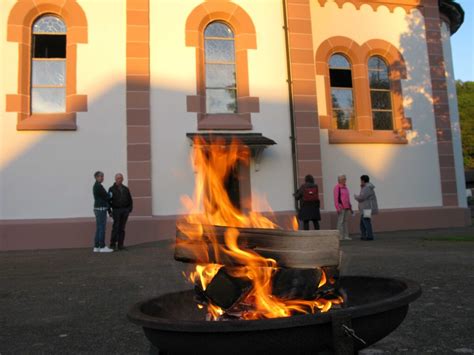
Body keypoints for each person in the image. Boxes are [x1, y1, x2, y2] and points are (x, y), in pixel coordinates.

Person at [108, 173, 133, 250]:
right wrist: (109, 211)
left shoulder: (126, 189)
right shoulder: (111, 189)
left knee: (122, 228)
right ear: (115, 179)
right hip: (116, 210)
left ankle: (120, 245)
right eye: (118, 178)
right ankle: (112, 244)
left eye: (121, 178)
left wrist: (129, 209)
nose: (119, 179)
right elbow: (108, 201)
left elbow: (130, 199)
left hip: (125, 211)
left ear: (123, 179)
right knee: (116, 227)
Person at [92, 171, 113, 253]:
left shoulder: (96, 185)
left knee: (98, 228)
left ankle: (96, 246)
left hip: (97, 209)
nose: (102, 178)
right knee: (102, 228)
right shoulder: (98, 186)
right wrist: (111, 194)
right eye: (101, 176)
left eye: (103, 176)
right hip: (101, 209)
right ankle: (102, 246)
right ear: (96, 177)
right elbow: (107, 196)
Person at [354, 175, 379, 241]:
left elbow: (362, 197)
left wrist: (356, 197)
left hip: (366, 208)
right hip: (366, 208)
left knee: (366, 222)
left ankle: (369, 236)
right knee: (363, 223)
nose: (360, 182)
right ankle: (363, 235)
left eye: (361, 180)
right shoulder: (366, 187)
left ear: (363, 180)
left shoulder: (366, 188)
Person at [333, 174, 353, 241]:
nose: (345, 180)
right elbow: (336, 199)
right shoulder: (337, 187)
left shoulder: (346, 188)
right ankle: (340, 236)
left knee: (345, 222)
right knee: (340, 222)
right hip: (341, 207)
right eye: (344, 179)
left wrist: (350, 207)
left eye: (345, 179)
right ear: (340, 180)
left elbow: (347, 198)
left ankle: (346, 236)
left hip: (347, 207)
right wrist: (337, 208)